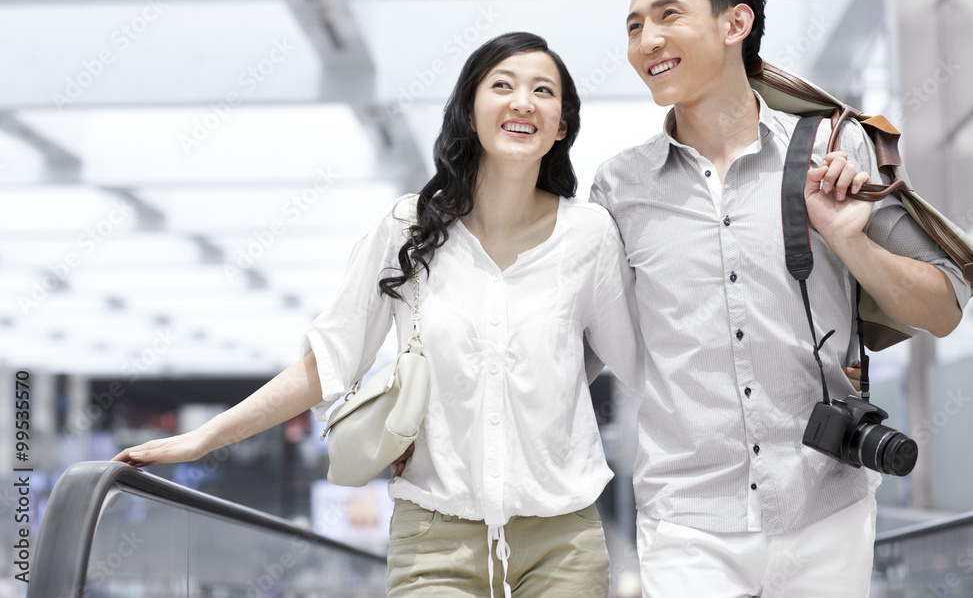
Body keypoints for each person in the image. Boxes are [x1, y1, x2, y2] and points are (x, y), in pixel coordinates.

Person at [114, 31, 645, 598]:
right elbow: (327, 364)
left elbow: (643, 368)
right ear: (470, 110)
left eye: (544, 91)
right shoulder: (408, 229)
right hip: (434, 541)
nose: (522, 102)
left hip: (563, 541)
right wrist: (202, 440)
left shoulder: (587, 236)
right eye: (502, 85)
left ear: (561, 125)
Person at [587, 0, 972, 597]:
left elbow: (943, 308)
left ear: (735, 23)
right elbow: (581, 345)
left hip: (825, 506)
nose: (646, 39)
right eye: (633, 25)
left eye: (667, 15)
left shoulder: (834, 148)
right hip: (686, 521)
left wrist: (849, 238)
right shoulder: (620, 188)